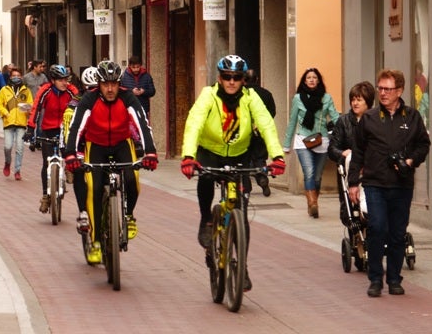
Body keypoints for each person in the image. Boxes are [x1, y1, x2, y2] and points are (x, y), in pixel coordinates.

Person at [180, 55, 284, 290]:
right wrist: (188, 156)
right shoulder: (208, 95)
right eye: (227, 77)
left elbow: (266, 123)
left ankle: (242, 267)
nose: (231, 82)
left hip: (239, 154)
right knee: (205, 177)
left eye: (237, 78)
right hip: (211, 151)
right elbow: (194, 121)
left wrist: (277, 156)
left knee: (241, 212)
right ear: (219, 77)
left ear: (243, 80)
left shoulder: (250, 98)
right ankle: (206, 219)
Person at [63, 60, 157, 264]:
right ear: (99, 84)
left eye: (114, 84)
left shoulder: (128, 97)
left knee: (133, 180)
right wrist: (70, 154)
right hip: (95, 146)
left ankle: (129, 216)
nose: (110, 89)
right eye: (106, 84)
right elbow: (76, 127)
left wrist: (150, 152)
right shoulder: (89, 99)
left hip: (122, 143)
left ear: (119, 83)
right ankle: (96, 242)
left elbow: (142, 123)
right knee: (95, 189)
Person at [348, 69, 430, 297]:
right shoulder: (370, 118)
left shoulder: (412, 117)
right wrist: (353, 182)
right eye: (380, 88)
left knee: (397, 233)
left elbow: (423, 145)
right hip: (375, 183)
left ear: (400, 91)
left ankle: (394, 278)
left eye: (387, 89)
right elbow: (358, 151)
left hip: (402, 184)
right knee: (377, 228)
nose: (382, 93)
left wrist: (411, 161)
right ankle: (375, 279)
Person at [283, 67, 340, 218]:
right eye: (309, 77)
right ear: (304, 81)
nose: (312, 80)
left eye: (314, 77)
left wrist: (347, 130)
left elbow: (335, 117)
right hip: (303, 139)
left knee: (317, 177)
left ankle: (313, 202)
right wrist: (287, 144)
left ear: (319, 80)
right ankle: (313, 203)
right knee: (309, 172)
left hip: (321, 140)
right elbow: (292, 121)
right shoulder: (298, 98)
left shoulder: (326, 98)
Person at [24, 64, 79, 213]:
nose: (64, 83)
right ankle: (46, 196)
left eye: (66, 80)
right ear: (53, 80)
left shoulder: (71, 91)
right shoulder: (45, 90)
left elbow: (80, 106)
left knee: (68, 150)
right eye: (60, 80)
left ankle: (68, 168)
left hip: (66, 129)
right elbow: (36, 109)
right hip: (48, 129)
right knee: (46, 163)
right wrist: (30, 128)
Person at [327, 81, 376, 221]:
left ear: (368, 102)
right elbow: (332, 148)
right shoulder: (343, 122)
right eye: (353, 99)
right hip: (349, 172)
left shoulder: (377, 120)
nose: (355, 103)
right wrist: (342, 153)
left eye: (359, 100)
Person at [0, 66, 33, 180]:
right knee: (8, 146)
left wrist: (27, 109)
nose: (16, 78)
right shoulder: (4, 90)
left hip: (21, 123)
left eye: (18, 76)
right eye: (14, 76)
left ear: (21, 77)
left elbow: (31, 104)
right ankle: (7, 162)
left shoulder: (26, 91)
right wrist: (5, 113)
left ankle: (17, 170)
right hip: (8, 123)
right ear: (10, 77)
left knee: (20, 148)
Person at [244, 68, 276, 197]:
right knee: (260, 158)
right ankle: (262, 178)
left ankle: (246, 186)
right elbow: (272, 112)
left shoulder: (242, 94)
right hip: (261, 132)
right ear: (257, 79)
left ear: (244, 80)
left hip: (244, 133)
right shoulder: (266, 94)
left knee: (244, 160)